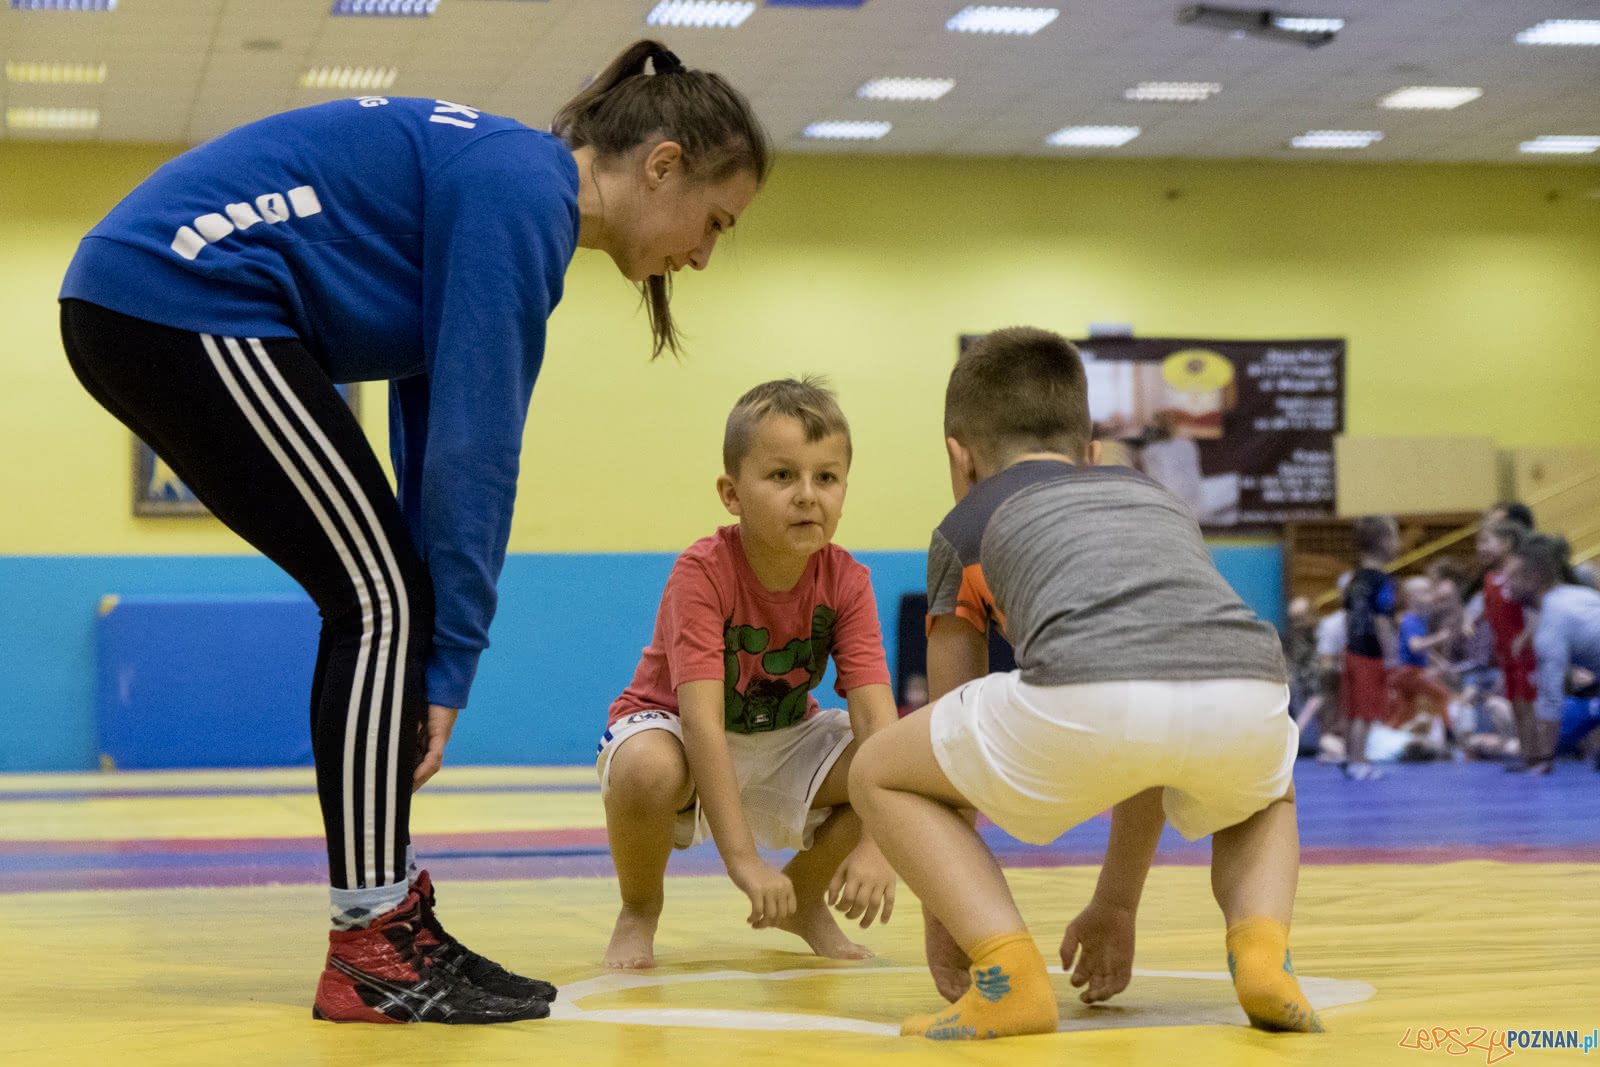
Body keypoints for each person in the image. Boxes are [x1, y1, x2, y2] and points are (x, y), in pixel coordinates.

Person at [56, 40, 770, 1024]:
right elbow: (477, 453)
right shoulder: (527, 194)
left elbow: (431, 424)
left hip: (162, 300)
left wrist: (431, 643)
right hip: (176, 296)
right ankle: (371, 939)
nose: (699, 254)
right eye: (714, 222)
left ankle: (386, 915)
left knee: (385, 591)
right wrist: (448, 665)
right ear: (661, 165)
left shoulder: (511, 185)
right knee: (379, 596)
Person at [847, 327, 1318, 1041]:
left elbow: (945, 744)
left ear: (958, 457)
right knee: (1264, 793)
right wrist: (1116, 904)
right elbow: (1147, 740)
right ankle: (1262, 953)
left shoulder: (962, 525)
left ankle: (1009, 976)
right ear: (1092, 451)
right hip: (1249, 688)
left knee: (880, 769)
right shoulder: (1154, 498)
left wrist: (951, 915)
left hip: (1090, 697)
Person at [596, 378, 899, 970]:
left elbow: (876, 717)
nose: (808, 496)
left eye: (826, 477)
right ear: (731, 494)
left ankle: (803, 899)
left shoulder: (848, 581)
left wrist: (878, 843)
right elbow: (703, 722)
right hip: (678, 727)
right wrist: (743, 860)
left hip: (782, 733)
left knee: (902, 759)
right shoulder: (702, 573)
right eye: (783, 476)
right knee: (645, 769)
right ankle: (639, 907)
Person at [1506, 535, 1600, 774]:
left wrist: (1546, 759)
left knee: (1567, 715)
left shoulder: (1552, 618)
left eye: (1513, 577)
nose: (1506, 583)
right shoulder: (1573, 595)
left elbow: (1551, 696)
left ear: (1535, 578)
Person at [1476, 520, 1541, 771]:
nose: (1480, 548)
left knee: (1528, 702)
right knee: (1516, 703)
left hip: (1524, 651)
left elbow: (1534, 609)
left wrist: (1526, 637)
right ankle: (1527, 754)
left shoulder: (1519, 575)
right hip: (1506, 653)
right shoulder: (1491, 579)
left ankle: (1538, 754)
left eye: (1486, 542)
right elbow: (1492, 615)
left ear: (1506, 544)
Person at [1342, 516, 1400, 780]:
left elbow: (1347, 616)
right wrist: (1392, 655)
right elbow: (1381, 621)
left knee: (1354, 710)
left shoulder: (1353, 579)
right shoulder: (1382, 581)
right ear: (1384, 542)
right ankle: (1357, 762)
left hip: (1352, 650)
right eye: (1396, 536)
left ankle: (1353, 757)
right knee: (1364, 712)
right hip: (1369, 654)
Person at [1391, 576, 1454, 731]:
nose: (1431, 596)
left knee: (1405, 713)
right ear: (1412, 597)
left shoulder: (1421, 619)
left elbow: (1422, 646)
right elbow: (1416, 645)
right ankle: (1449, 732)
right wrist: (1438, 637)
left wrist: (1438, 661)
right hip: (1410, 672)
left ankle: (1389, 735)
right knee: (1442, 694)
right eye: (1425, 592)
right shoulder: (1410, 620)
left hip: (1411, 672)